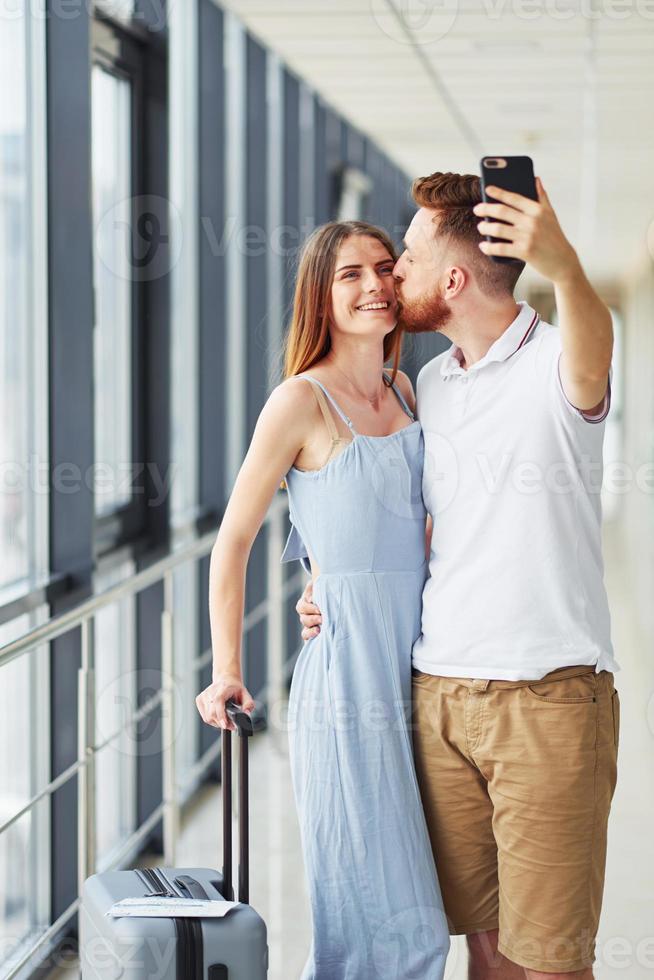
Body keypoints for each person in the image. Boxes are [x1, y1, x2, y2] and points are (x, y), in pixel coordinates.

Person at [297, 173, 620, 980]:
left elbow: (595, 337)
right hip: (438, 697)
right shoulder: (426, 386)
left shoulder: (557, 362)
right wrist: (325, 583)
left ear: (451, 278)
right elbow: (407, 523)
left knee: (550, 960)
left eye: (404, 256)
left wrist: (566, 264)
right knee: (481, 947)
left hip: (546, 701)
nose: (391, 274)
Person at [196, 220, 450, 979]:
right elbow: (231, 542)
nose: (374, 285)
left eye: (383, 267)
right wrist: (226, 669)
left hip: (423, 674)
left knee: (414, 918)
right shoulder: (299, 401)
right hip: (346, 688)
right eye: (350, 275)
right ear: (321, 293)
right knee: (383, 927)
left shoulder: (406, 389)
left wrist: (320, 566)